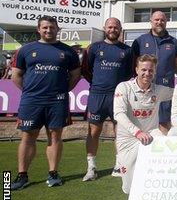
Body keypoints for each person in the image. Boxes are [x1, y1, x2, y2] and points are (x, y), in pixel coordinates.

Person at [10, 16, 81, 190]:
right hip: (32, 101)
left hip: (57, 101)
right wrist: (30, 92)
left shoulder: (68, 52)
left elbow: (75, 76)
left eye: (52, 27)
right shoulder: (26, 50)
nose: (49, 30)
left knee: (55, 137)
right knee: (28, 137)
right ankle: (22, 175)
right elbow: (16, 75)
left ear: (58, 29)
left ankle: (53, 173)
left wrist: (61, 91)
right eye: (45, 28)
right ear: (39, 30)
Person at [81, 17, 133, 181]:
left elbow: (130, 72)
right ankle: (91, 167)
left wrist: (118, 87)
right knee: (94, 131)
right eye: (110, 27)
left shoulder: (127, 50)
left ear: (120, 29)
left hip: (118, 96)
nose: (113, 30)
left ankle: (119, 165)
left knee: (120, 132)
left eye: (116, 27)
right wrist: (98, 84)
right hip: (98, 95)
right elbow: (86, 70)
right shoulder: (94, 48)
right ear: (105, 28)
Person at [113, 55, 173, 194]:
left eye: (151, 70)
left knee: (166, 145)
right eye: (144, 70)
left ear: (155, 72)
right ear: (136, 70)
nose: (147, 73)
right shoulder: (124, 87)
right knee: (128, 189)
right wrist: (137, 132)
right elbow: (118, 114)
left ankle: (163, 186)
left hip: (152, 134)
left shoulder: (158, 90)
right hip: (128, 139)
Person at [131, 10, 177, 133]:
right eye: (156, 20)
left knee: (165, 124)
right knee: (142, 123)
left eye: (162, 20)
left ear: (166, 22)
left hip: (165, 89)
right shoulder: (140, 41)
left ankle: (163, 152)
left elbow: (176, 65)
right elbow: (134, 64)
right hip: (144, 91)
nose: (159, 22)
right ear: (151, 22)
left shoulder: (174, 42)